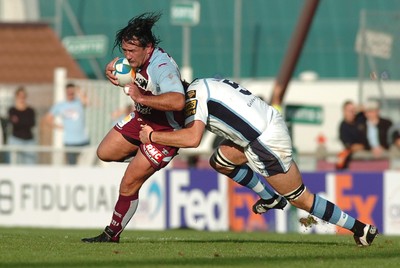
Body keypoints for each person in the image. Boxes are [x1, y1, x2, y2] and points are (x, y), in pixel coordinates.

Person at [81, 13, 283, 244]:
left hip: (166, 129)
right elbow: (128, 74)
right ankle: (147, 158)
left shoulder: (162, 67)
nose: (127, 57)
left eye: (131, 51)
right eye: (124, 51)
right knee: (104, 153)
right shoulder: (135, 60)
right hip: (143, 118)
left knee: (129, 182)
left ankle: (111, 234)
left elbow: (178, 101)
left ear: (148, 48)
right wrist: (114, 71)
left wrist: (141, 98)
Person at [140, 78, 378, 247]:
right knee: (220, 161)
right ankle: (269, 197)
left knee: (300, 198)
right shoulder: (203, 83)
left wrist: (153, 136)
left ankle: (361, 229)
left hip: (263, 140)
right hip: (261, 129)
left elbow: (192, 138)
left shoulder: (192, 98)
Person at [45, 83, 90, 165]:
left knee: (86, 165)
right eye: (69, 93)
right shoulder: (60, 105)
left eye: (72, 93)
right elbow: (48, 119)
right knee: (72, 166)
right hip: (70, 142)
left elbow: (87, 102)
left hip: (83, 140)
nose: (70, 95)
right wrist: (57, 126)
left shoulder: (79, 102)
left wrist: (79, 91)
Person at [7, 86, 37, 164]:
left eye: (23, 96)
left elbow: (32, 123)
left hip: (29, 141)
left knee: (30, 164)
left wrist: (19, 121)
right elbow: (14, 123)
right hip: (16, 140)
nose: (22, 98)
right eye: (20, 96)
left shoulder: (30, 110)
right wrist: (23, 122)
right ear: (16, 96)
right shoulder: (12, 110)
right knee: (15, 163)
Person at [336, 100, 366, 169]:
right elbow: (350, 146)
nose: (352, 113)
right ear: (344, 112)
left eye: (353, 110)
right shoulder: (343, 127)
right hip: (355, 161)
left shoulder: (360, 118)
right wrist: (363, 146)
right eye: (349, 110)